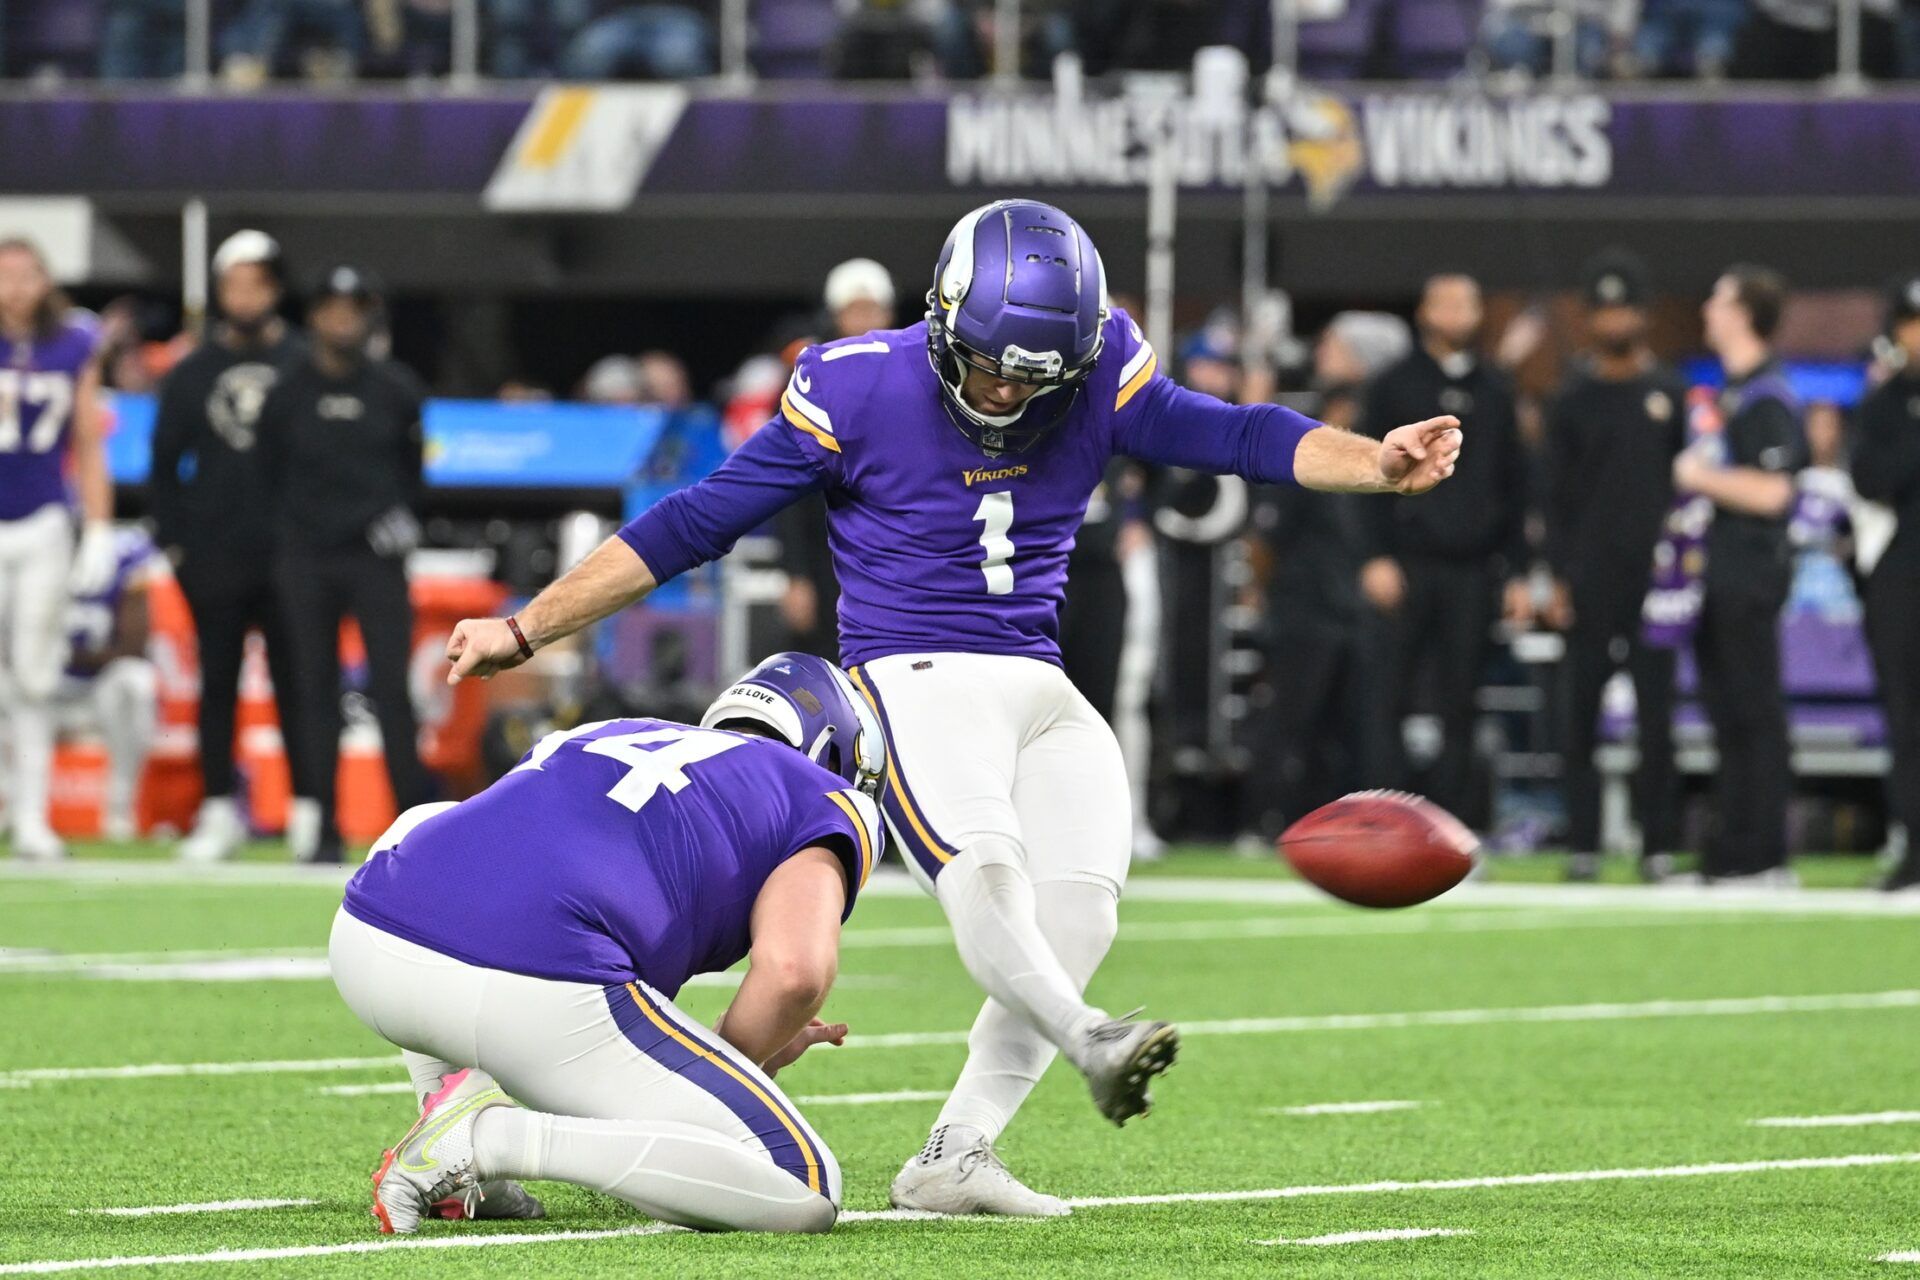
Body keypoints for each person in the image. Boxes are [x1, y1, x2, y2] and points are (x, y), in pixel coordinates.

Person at [441, 199, 1462, 1216]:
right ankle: (1088, 1035)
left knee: (1083, 906)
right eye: (989, 363)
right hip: (911, 674)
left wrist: (1373, 460)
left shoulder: (1103, 358)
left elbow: (1234, 432)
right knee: (989, 868)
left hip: (1038, 676)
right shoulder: (854, 382)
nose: (1008, 387)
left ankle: (955, 1152)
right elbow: (692, 523)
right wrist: (526, 626)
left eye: (1033, 373)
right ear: (941, 319)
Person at [332, 652, 884, 1234]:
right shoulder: (822, 793)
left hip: (368, 937)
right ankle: (487, 1141)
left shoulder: (606, 730)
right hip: (531, 988)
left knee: (440, 825)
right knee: (802, 1182)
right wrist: (739, 1056)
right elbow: (796, 973)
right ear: (836, 752)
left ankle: (446, 1115)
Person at [150, 230, 316, 862]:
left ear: (275, 290)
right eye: (233, 286)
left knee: (297, 683)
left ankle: (309, 811)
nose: (244, 297)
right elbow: (165, 464)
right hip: (215, 556)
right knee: (215, 683)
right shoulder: (192, 373)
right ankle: (217, 810)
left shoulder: (305, 362)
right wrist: (177, 547)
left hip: (291, 555)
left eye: (256, 284)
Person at [259, 265, 430, 864]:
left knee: (392, 690)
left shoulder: (396, 387)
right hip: (306, 558)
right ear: (314, 316)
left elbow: (414, 472)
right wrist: (285, 540)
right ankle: (320, 826)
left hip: (374, 560)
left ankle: (412, 826)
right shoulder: (286, 392)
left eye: (353, 309)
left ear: (368, 316)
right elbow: (266, 474)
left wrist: (400, 518)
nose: (342, 320)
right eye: (332, 308)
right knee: (312, 691)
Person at [1357, 272, 1530, 829]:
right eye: (1445, 302)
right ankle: (1381, 821)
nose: (1456, 313)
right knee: (1387, 695)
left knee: (1462, 699)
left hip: (1474, 569)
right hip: (1407, 562)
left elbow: (1517, 484)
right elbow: (1362, 468)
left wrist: (1521, 570)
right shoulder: (1391, 385)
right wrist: (1374, 555)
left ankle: (1452, 830)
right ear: (1424, 311)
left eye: (1466, 303)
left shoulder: (1498, 390)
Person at [1544, 251, 1686, 883]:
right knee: (1580, 713)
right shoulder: (1571, 400)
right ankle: (1584, 844)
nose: (1613, 321)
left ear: (1643, 315)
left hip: (1658, 579)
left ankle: (1658, 844)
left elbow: (1691, 487)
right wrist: (1553, 576)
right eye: (1602, 310)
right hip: (1590, 576)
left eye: (1623, 308)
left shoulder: (1670, 395)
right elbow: (1550, 497)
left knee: (1658, 716)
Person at [1673, 265, 1807, 884]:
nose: (1707, 308)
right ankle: (1734, 845)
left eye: (1719, 299)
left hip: (1749, 574)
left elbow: (1776, 492)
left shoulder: (1767, 397)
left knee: (1754, 712)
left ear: (1745, 313)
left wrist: (1700, 478)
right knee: (1726, 714)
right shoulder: (1729, 390)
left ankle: (1764, 850)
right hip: (1717, 573)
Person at [0, 239, 115, 862]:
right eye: (4, 275)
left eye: (27, 274)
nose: (15, 287)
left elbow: (89, 441)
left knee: (35, 675)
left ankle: (32, 818)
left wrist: (98, 525)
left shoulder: (73, 342)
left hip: (42, 518)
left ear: (47, 280)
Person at [779, 260, 896, 657]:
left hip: (891, 554)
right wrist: (795, 575)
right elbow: (787, 489)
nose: (863, 319)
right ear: (835, 315)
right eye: (854, 309)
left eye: (872, 309)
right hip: (825, 553)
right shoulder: (811, 381)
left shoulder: (910, 379)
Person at [1853, 275, 1920, 891]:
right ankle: (1912, 848)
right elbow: (1870, 479)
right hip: (1901, 576)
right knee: (1904, 719)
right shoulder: (1881, 404)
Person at [56, 526, 161, 843]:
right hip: (40, 687)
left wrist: (67, 653)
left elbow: (134, 645)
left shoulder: (120, 557)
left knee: (136, 680)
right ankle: (13, 810)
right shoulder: (26, 550)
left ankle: (119, 809)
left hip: (96, 686)